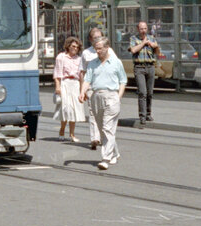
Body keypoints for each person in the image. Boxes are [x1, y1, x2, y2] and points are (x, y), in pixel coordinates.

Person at [80, 37, 126, 171]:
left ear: (107, 47)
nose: (97, 51)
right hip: (96, 96)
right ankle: (115, 153)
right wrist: (82, 92)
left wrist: (118, 97)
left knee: (107, 128)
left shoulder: (116, 62)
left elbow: (123, 81)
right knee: (103, 130)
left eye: (99, 48)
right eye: (96, 49)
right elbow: (87, 80)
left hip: (111, 96)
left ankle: (105, 158)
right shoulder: (93, 63)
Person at [52, 36, 85, 143]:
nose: (75, 48)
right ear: (68, 46)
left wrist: (82, 91)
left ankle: (72, 134)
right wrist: (57, 86)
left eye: (77, 47)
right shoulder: (61, 57)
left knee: (74, 110)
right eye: (73, 46)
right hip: (65, 83)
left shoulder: (80, 59)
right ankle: (62, 130)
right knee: (66, 109)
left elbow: (81, 77)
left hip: (75, 84)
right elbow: (57, 73)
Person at [128, 21, 160, 128]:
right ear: (138, 29)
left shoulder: (151, 38)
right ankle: (142, 116)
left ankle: (148, 114)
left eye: (145, 28)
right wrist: (143, 43)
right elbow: (133, 50)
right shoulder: (134, 39)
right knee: (142, 92)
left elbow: (157, 52)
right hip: (139, 67)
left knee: (150, 93)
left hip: (150, 67)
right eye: (141, 29)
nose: (143, 31)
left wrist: (155, 46)